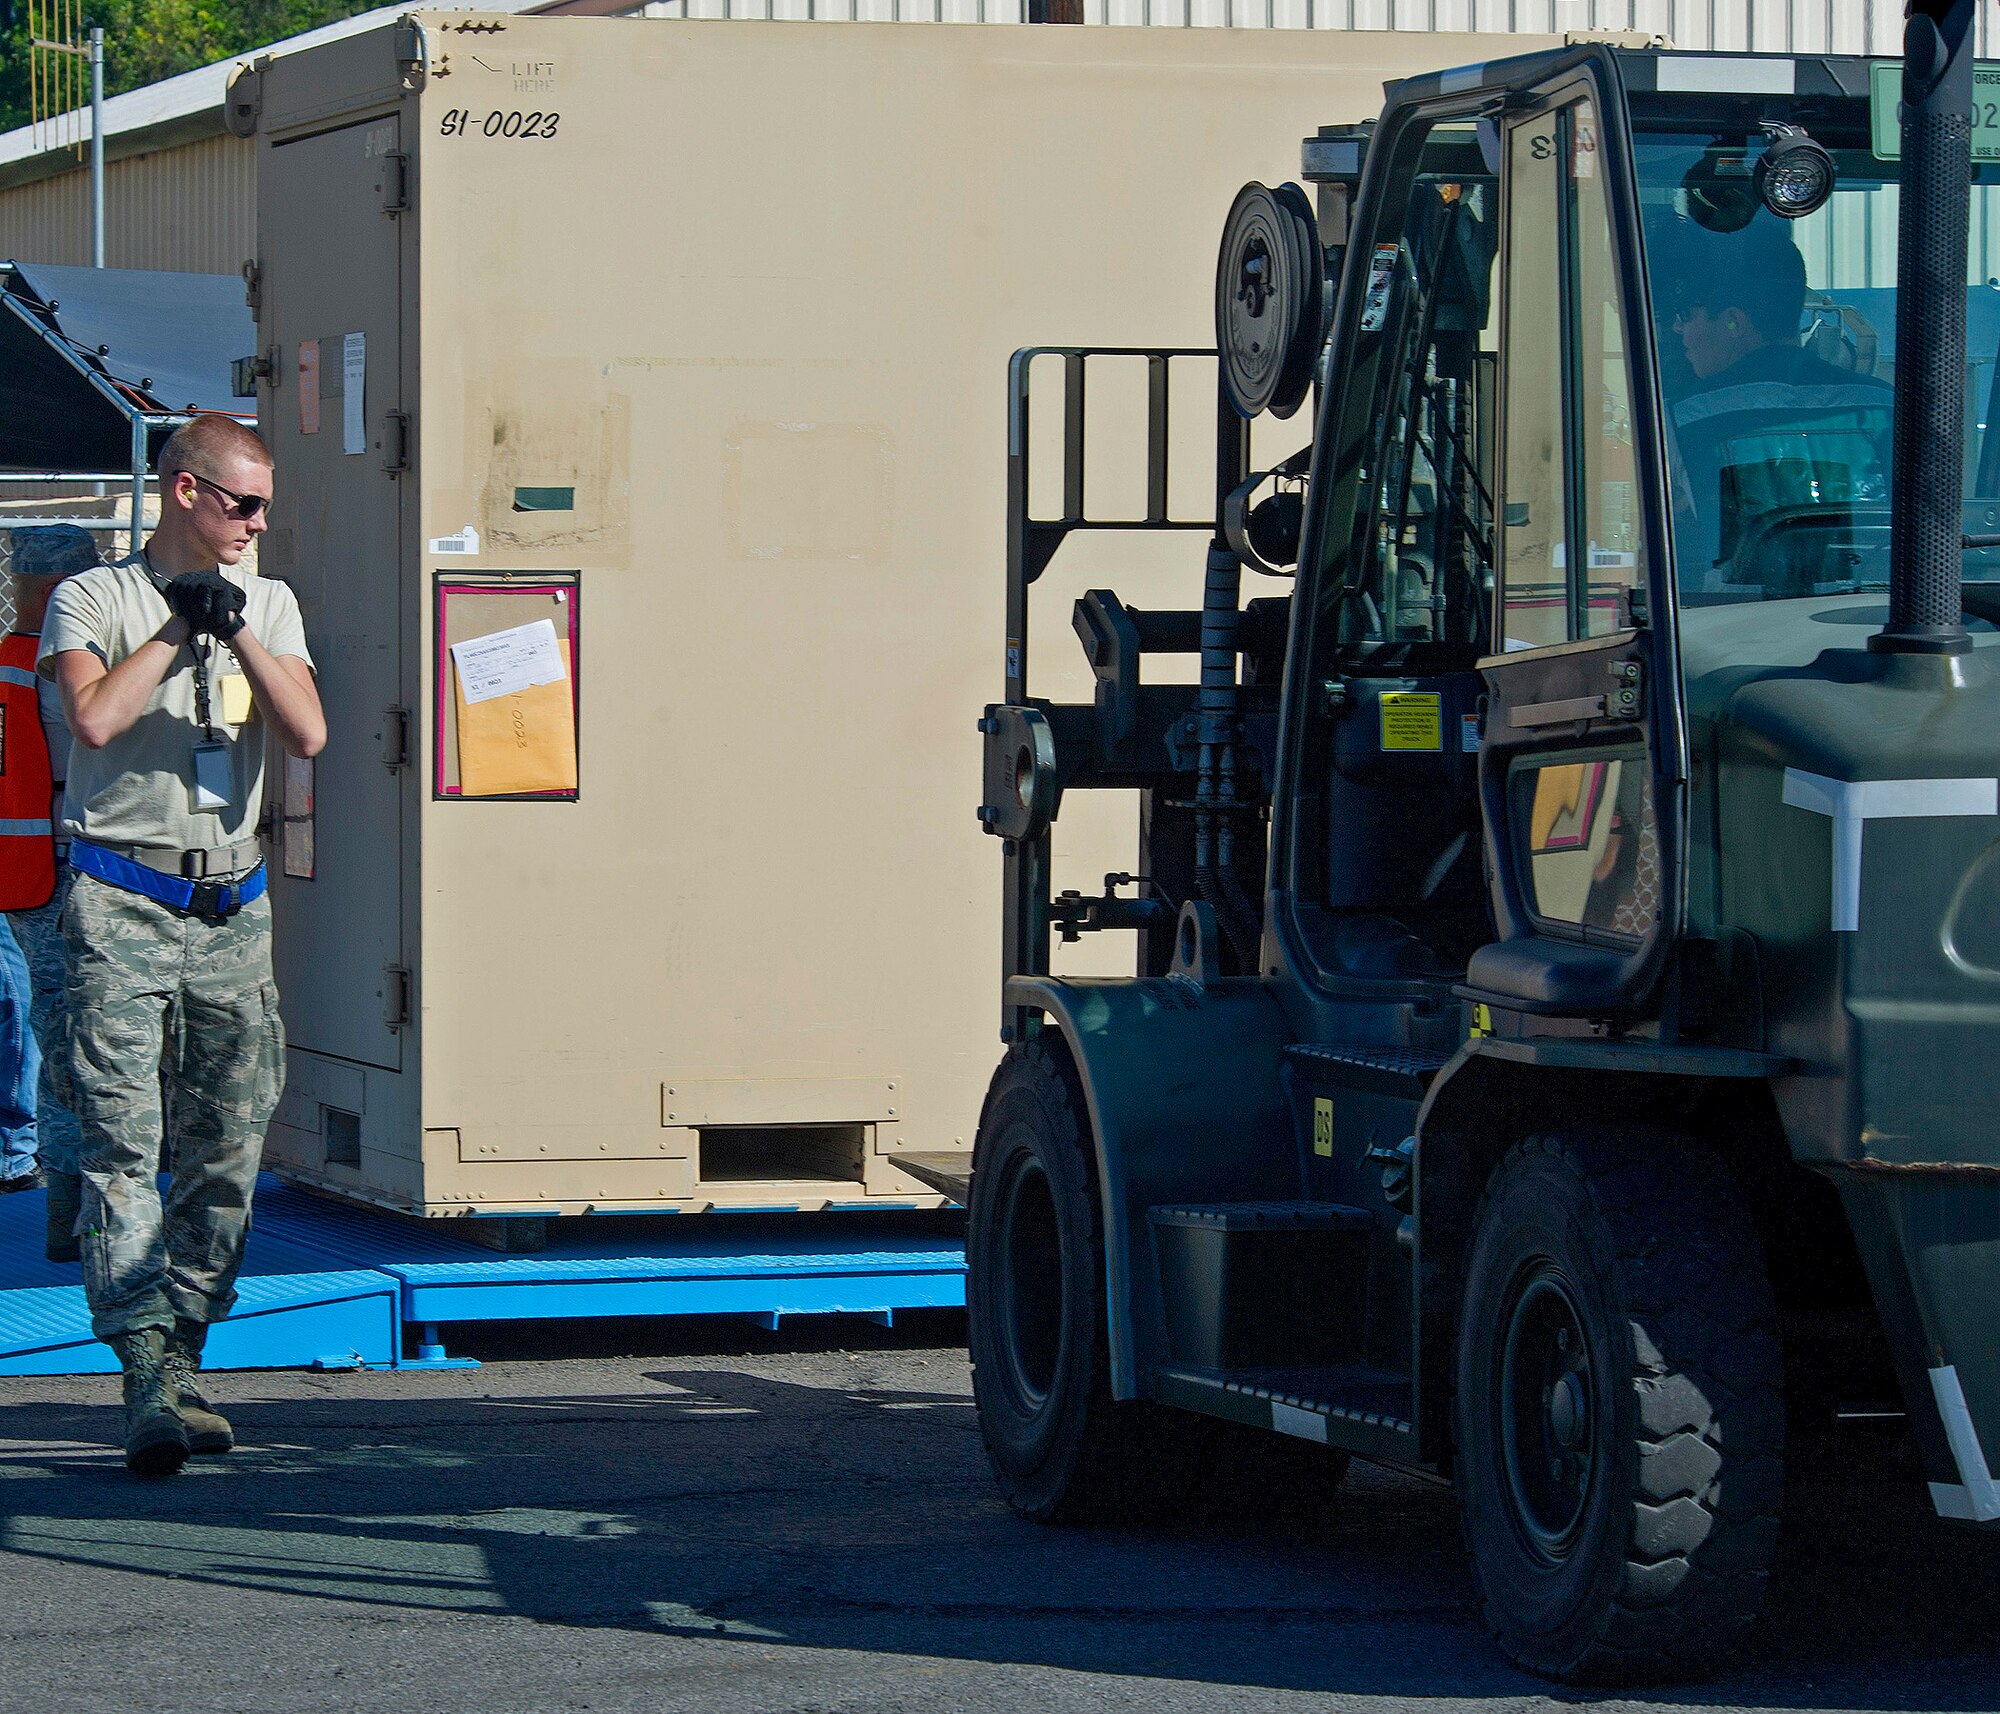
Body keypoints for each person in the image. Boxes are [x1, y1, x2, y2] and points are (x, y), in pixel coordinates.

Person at [41, 415, 325, 1476]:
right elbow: (96, 722)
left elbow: (309, 731)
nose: (257, 522)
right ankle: (145, 1365)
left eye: (264, 504)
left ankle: (188, 1343)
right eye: (242, 502)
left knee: (228, 1141)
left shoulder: (275, 601)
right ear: (184, 491)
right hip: (121, 898)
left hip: (230, 905)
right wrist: (172, 629)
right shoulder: (93, 598)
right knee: (123, 1140)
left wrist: (238, 626)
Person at [1654, 218, 1893, 597]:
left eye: (1686, 315)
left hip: (1737, 631)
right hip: (1870, 616)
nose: (1678, 330)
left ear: (1734, 321)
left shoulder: (1677, 419)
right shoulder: (1884, 404)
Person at [0, 526, 99, 1255]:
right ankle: (74, 1211)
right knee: (82, 1045)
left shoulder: (6, 663)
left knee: (52, 1033)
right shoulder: (66, 667)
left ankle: (62, 1203)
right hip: (80, 868)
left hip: (24, 876)